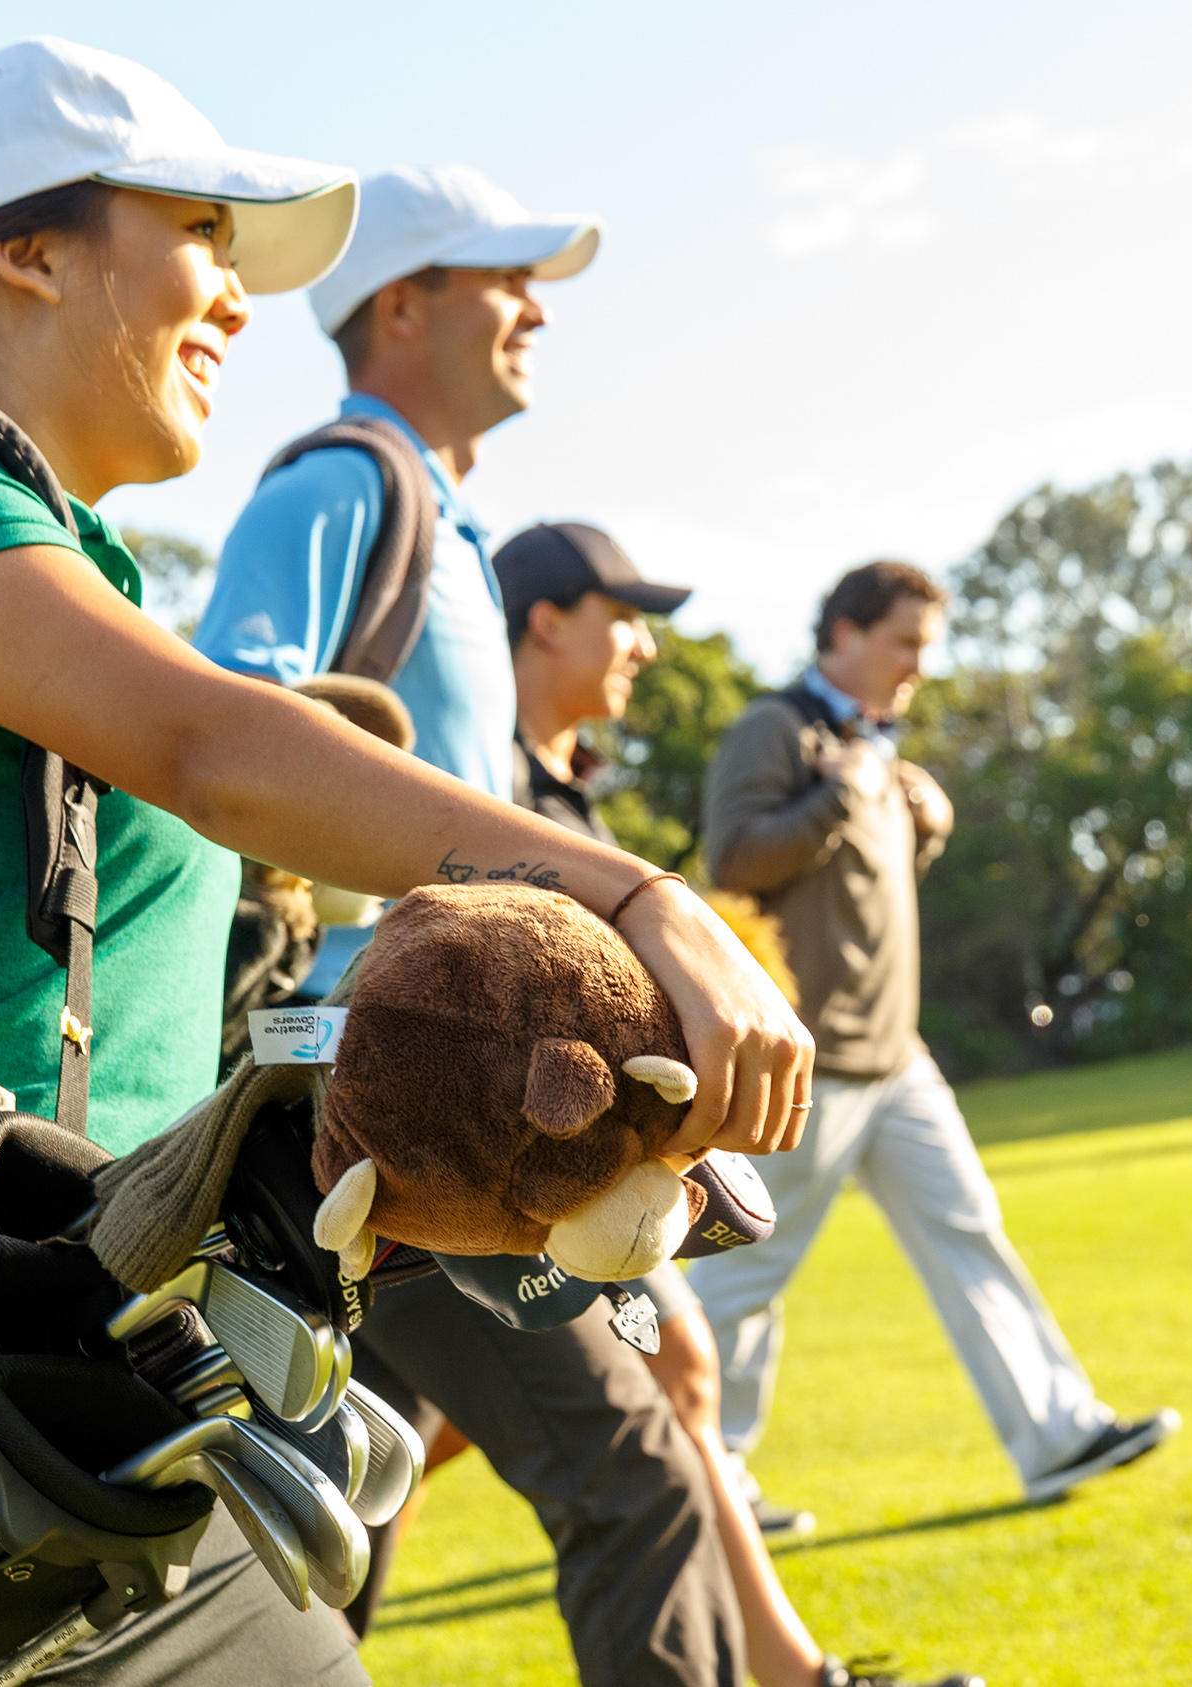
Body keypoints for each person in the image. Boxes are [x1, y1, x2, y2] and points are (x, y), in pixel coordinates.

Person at [0, 42, 809, 1681]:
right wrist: (635, 895)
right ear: (29, 252)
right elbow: (207, 749)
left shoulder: (72, 552)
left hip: (68, 1354)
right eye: (202, 234)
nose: (234, 297)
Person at [191, 168, 755, 1687]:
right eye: (505, 279)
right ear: (401, 303)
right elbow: (223, 740)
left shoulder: (453, 528)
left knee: (330, 1554)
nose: (535, 312)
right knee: (633, 1475)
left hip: (417, 1109)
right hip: (390, 1101)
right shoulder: (336, 489)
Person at [496, 523, 984, 1687]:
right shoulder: (481, 789)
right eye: (625, 619)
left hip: (583, 1176)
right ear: (546, 622)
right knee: (625, 1446)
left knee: (677, 1380)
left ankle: (802, 1675)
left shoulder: (564, 791)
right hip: (479, 1180)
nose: (646, 648)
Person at [690, 562, 1176, 1518]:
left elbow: (854, 891)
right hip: (809, 1061)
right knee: (745, 1272)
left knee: (969, 1234)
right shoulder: (777, 729)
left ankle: (1057, 1434)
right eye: (905, 641)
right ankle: (706, 1485)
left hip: (898, 1058)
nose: (920, 664)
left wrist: (919, 821)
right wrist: (842, 796)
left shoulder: (874, 746)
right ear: (843, 633)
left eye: (927, 644)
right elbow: (734, 861)